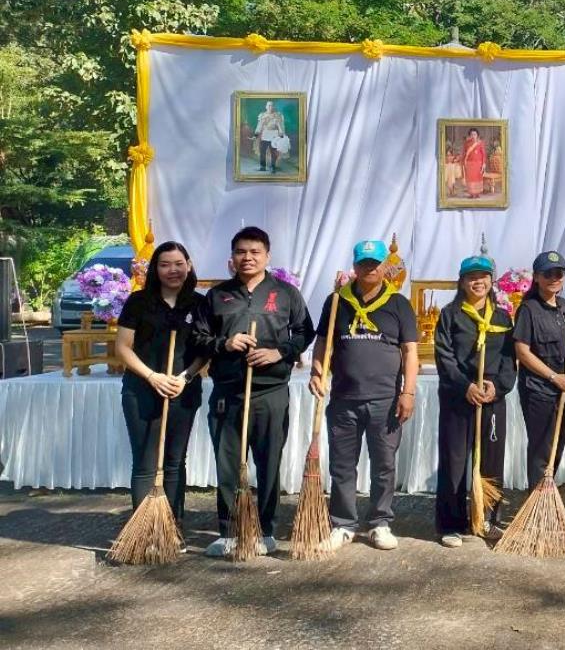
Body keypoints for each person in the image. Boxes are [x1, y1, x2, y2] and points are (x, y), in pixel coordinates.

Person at [194, 226, 315, 558]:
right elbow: (199, 338)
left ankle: (266, 530)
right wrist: (226, 343)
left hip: (270, 392)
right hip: (228, 392)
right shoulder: (216, 296)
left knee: (268, 462)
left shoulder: (286, 294)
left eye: (254, 252)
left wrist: (280, 352)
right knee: (229, 465)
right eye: (241, 252)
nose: (247, 257)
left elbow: (305, 332)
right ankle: (230, 531)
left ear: (267, 256)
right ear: (232, 257)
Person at [310, 240, 420, 552]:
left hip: (386, 400)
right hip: (344, 398)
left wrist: (408, 392)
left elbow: (410, 351)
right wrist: (318, 372)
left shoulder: (398, 303)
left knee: (384, 464)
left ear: (386, 266)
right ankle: (343, 523)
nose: (369, 268)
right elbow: (323, 342)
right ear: (355, 266)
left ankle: (379, 522)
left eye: (375, 263)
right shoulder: (336, 301)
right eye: (363, 263)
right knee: (342, 465)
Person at [113, 241, 209, 546]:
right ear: (155, 269)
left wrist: (185, 377)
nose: (172, 270)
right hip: (141, 390)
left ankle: (172, 528)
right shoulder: (139, 302)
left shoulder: (199, 304)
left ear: (188, 266)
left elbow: (204, 351)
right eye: (165, 264)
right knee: (145, 461)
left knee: (175, 462)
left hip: (183, 390)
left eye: (179, 264)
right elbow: (122, 348)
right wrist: (153, 377)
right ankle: (144, 533)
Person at [433, 252, 517, 547]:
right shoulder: (450, 315)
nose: (478, 282)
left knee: (491, 459)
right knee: (454, 460)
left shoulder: (502, 317)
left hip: (491, 398)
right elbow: (444, 356)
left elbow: (510, 359)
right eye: (471, 277)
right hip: (458, 397)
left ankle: (487, 518)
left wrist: (498, 387)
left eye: (483, 276)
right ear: (462, 281)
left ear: (491, 280)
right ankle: (451, 524)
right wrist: (465, 386)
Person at [512, 251, 565, 480]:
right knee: (541, 447)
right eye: (548, 274)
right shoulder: (528, 309)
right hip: (539, 389)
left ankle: (548, 490)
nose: (554, 278)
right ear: (536, 277)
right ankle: (537, 492)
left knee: (558, 443)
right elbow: (522, 352)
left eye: (558, 274)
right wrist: (554, 377)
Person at [255, 102, 282, 172]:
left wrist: (281, 133)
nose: (270, 107)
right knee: (262, 151)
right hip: (265, 135)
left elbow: (279, 126)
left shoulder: (276, 115)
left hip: (274, 136)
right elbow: (259, 125)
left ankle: (273, 166)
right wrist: (256, 133)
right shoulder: (262, 115)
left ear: (273, 107)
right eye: (269, 105)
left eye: (272, 106)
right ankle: (262, 166)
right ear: (266, 106)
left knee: (273, 152)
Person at [462, 128, 486, 198]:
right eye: (471, 134)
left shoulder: (480, 143)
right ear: (469, 135)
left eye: (475, 134)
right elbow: (464, 153)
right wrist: (463, 161)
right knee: (470, 179)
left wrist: (484, 163)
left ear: (477, 135)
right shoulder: (467, 143)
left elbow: (483, 154)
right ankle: (472, 194)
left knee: (477, 178)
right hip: (469, 164)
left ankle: (477, 193)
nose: (473, 136)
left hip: (478, 164)